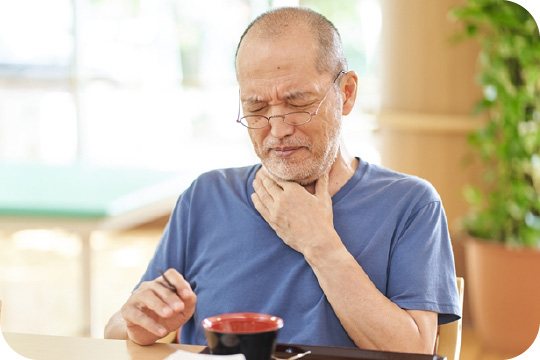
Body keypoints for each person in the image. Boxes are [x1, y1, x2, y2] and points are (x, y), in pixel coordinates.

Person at [104, 6, 461, 354]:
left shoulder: (410, 204)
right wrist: (137, 323)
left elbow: (414, 350)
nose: (277, 129)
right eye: (257, 108)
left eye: (298, 101)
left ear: (346, 93)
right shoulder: (206, 196)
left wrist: (320, 244)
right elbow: (120, 326)